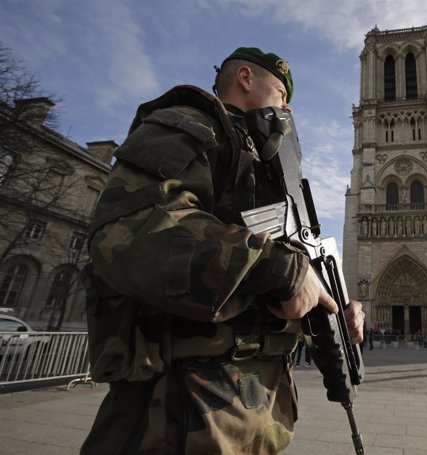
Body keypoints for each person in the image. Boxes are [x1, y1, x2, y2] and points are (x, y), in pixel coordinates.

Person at [80, 47, 365, 455]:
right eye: (282, 93)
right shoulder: (189, 125)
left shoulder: (265, 166)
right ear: (245, 78)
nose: (288, 106)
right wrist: (283, 270)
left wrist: (329, 305)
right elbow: (128, 232)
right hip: (176, 415)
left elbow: (268, 292)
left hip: (254, 415)